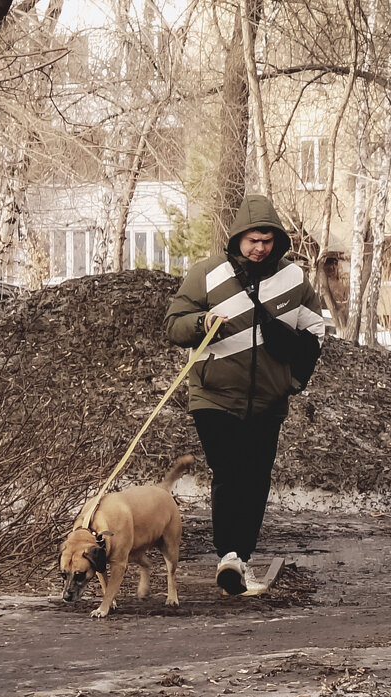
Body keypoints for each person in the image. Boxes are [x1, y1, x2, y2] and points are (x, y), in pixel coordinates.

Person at [164, 194, 325, 595]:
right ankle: (229, 554)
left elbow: (316, 335)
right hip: (212, 396)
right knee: (230, 471)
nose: (260, 248)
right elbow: (173, 324)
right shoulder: (207, 274)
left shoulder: (293, 281)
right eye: (253, 239)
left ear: (278, 242)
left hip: (269, 401)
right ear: (237, 238)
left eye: (267, 241)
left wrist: (292, 380)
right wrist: (202, 322)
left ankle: (240, 558)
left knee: (255, 479)